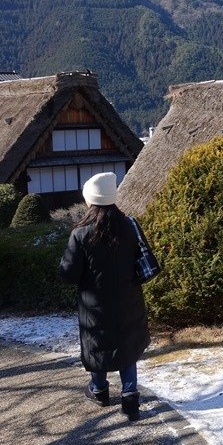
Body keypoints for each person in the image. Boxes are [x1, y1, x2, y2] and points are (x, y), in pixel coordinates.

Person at [58, 172, 150, 421]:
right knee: (127, 343)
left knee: (97, 345)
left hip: (94, 304)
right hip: (129, 299)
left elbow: (68, 273)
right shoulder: (130, 225)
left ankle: (99, 390)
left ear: (91, 201)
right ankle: (130, 397)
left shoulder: (81, 233)